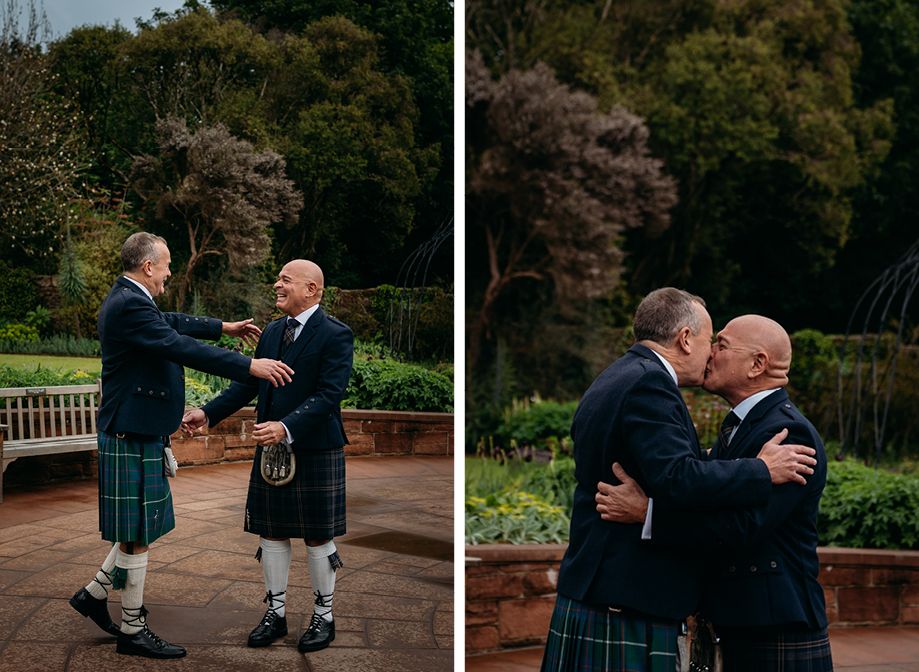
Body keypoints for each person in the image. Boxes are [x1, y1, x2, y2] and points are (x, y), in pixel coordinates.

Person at [540, 288, 817, 672]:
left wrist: (650, 509)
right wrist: (760, 469)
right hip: (626, 592)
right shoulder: (649, 384)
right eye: (712, 341)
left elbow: (714, 502)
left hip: (620, 593)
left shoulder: (619, 374)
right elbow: (677, 477)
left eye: (722, 345)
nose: (712, 353)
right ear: (686, 339)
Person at [68, 232, 294, 659]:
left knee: (139, 527)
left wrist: (223, 327)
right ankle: (133, 630)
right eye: (167, 264)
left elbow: (170, 322)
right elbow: (177, 345)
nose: (171, 271)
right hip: (130, 432)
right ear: (148, 266)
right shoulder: (128, 305)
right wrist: (251, 365)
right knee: (137, 534)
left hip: (137, 430)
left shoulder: (132, 299)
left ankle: (94, 595)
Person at [181, 259, 353, 653]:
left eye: (285, 280)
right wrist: (207, 413)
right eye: (277, 278)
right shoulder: (273, 332)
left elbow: (330, 394)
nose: (276, 284)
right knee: (271, 531)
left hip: (313, 447)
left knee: (317, 534)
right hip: (272, 449)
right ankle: (275, 613)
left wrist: (286, 427)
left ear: (311, 289)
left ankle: (323, 616)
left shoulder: (335, 334)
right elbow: (247, 385)